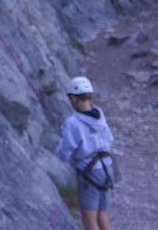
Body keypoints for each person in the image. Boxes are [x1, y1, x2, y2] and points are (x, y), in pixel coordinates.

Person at [56, 75, 115, 230]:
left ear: (74, 98)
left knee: (89, 220)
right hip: (108, 167)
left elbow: (65, 152)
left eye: (70, 99)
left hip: (90, 172)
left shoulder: (73, 123)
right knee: (102, 216)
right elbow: (110, 139)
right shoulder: (99, 115)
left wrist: (61, 151)